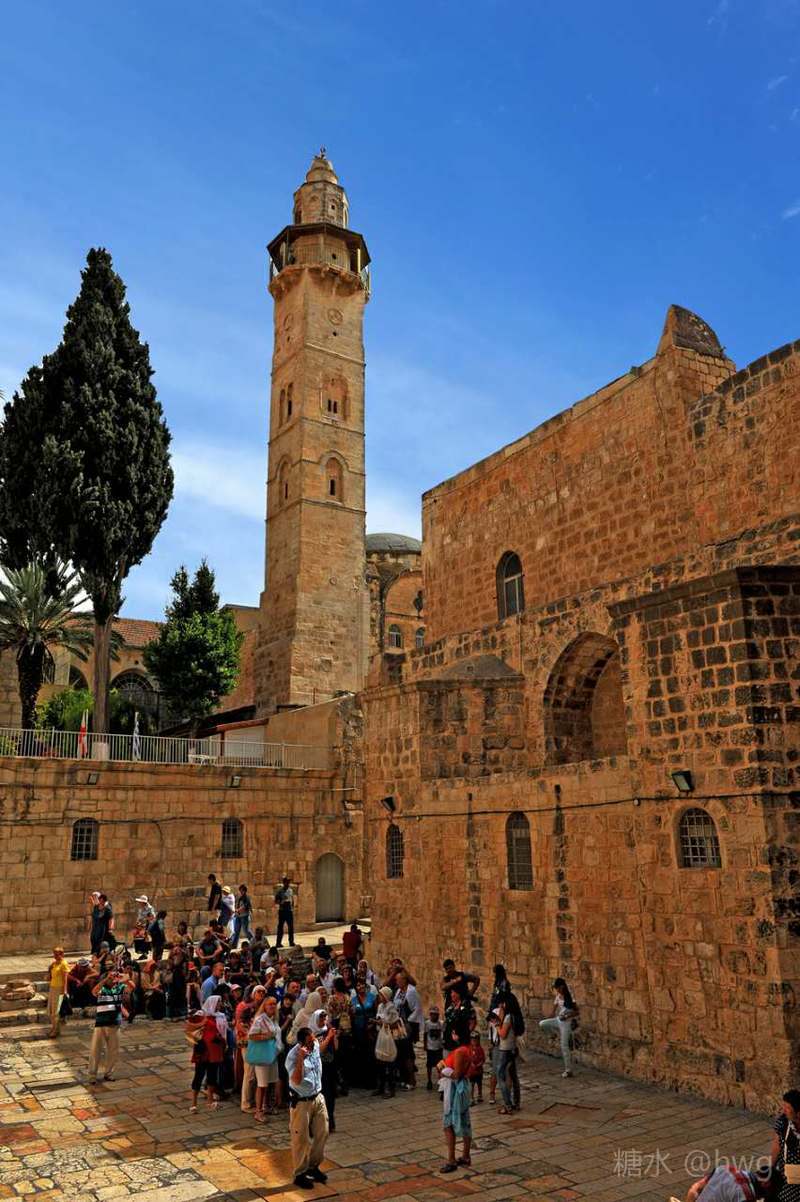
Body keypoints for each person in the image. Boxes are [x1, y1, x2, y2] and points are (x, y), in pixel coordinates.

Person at [286, 1025, 335, 1190]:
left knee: (323, 1132)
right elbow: (296, 1080)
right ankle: (299, 1174)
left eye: (313, 1041)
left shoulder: (314, 1046)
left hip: (317, 1097)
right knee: (301, 1139)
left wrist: (329, 1037)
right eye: (309, 1043)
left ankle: (313, 1167)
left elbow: (320, 1049)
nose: (313, 1045)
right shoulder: (293, 1056)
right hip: (301, 1102)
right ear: (301, 1044)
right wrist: (301, 1058)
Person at [88, 968, 129, 1084]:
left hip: (115, 1023)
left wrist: (122, 977)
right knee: (96, 1050)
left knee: (113, 1050)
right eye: (110, 977)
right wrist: (106, 979)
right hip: (101, 1024)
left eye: (113, 977)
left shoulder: (120, 987)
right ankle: (92, 1075)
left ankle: (109, 1073)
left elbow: (132, 985)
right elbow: (94, 991)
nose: (112, 979)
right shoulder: (103, 988)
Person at [248, 995, 282, 1123]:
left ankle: (266, 1106)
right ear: (265, 1006)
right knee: (262, 1085)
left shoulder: (273, 1019)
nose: (273, 1006)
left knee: (269, 1083)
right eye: (270, 1004)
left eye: (274, 1004)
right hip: (263, 1056)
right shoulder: (260, 1019)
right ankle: (258, 1111)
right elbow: (251, 1035)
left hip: (272, 1055)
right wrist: (266, 1036)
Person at [439, 1046, 472, 1173]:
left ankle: (451, 1160)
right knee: (464, 1121)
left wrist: (443, 1070)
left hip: (455, 1090)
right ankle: (465, 1155)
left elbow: (457, 1074)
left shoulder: (459, 1051)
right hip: (459, 1089)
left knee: (448, 1125)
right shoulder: (466, 1049)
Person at [188, 1001, 225, 1113]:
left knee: (212, 1076)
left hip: (214, 1051)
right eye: (218, 1003)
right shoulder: (201, 1016)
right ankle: (193, 1103)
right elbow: (191, 1028)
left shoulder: (219, 1016)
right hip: (203, 1052)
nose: (220, 1005)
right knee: (198, 1076)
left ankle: (210, 1100)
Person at [538, 977, 578, 1078]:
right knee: (542, 1023)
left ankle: (568, 1070)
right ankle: (555, 1035)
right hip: (558, 1020)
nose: (557, 990)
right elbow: (553, 1011)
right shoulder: (558, 996)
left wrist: (566, 1016)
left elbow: (576, 1012)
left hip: (566, 1023)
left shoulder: (570, 996)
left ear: (562, 987)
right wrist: (549, 1018)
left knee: (564, 1046)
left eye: (558, 988)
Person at [685, 1165, 784, 1200]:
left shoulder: (726, 1168)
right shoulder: (747, 1196)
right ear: (765, 1184)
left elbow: (694, 1189)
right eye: (767, 1194)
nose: (761, 1198)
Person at [771, 1088, 800, 1201]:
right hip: (788, 1178)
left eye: (787, 1108)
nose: (784, 1110)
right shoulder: (783, 1122)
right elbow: (776, 1145)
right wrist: (771, 1167)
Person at [490, 1002, 516, 1114]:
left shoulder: (508, 1017)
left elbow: (502, 1034)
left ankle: (508, 1104)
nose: (499, 1009)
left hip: (505, 1049)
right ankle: (513, 1102)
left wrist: (496, 1025)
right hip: (509, 1048)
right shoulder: (510, 1016)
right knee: (510, 1074)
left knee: (500, 1076)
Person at [46, 947, 71, 1039]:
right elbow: (50, 977)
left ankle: (55, 1030)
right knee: (51, 1010)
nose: (55, 956)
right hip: (52, 988)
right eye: (54, 954)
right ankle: (54, 1028)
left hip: (59, 989)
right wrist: (50, 969)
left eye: (57, 954)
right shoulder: (54, 964)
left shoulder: (64, 964)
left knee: (56, 1011)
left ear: (62, 954)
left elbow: (65, 979)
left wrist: (64, 991)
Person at [424, 1004, 444, 1090]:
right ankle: (429, 1080)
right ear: (430, 1015)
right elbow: (425, 1034)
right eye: (432, 1014)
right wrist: (425, 1045)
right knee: (429, 1065)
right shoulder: (427, 1023)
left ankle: (440, 1080)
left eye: (436, 1014)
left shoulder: (441, 1023)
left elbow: (443, 1033)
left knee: (439, 1065)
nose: (434, 1016)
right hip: (430, 1047)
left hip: (438, 1047)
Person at [275, 877, 295, 948]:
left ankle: (291, 942)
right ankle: (278, 943)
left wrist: (292, 906)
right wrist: (282, 902)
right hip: (282, 911)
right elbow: (276, 901)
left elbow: (292, 899)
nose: (288, 883)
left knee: (291, 927)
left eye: (288, 882)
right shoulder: (280, 891)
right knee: (280, 927)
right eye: (286, 882)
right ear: (284, 883)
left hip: (289, 911)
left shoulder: (290, 890)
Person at [233, 884, 253, 948]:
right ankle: (234, 945)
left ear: (244, 890)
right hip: (238, 916)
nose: (240, 891)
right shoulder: (240, 897)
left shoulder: (246, 898)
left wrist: (238, 910)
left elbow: (245, 906)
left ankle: (253, 941)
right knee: (236, 931)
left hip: (245, 916)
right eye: (240, 890)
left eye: (241, 890)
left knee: (246, 931)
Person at [467, 1031, 485, 1103]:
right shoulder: (469, 1049)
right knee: (471, 1084)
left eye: (476, 1040)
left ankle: (480, 1095)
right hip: (471, 1072)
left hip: (479, 1071)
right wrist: (471, 1064)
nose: (474, 1041)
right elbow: (468, 1058)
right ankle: (471, 1097)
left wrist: (479, 1064)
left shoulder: (480, 1049)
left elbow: (483, 1059)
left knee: (479, 1084)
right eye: (473, 1040)